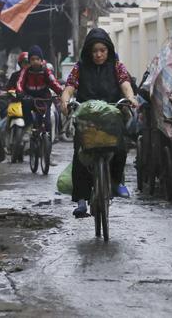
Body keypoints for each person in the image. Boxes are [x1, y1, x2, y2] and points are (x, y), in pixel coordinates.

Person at [60, 28, 139, 218]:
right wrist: (64, 101)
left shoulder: (117, 67)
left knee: (120, 147)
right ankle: (80, 199)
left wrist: (131, 98)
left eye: (102, 50)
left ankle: (116, 182)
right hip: (86, 117)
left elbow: (125, 84)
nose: (98, 54)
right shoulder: (79, 68)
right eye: (95, 51)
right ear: (89, 51)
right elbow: (69, 87)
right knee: (81, 153)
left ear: (108, 50)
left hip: (111, 116)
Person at [17, 45, 63, 134]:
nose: (35, 62)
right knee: (25, 103)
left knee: (47, 122)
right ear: (29, 61)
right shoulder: (25, 71)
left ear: (41, 60)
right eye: (32, 59)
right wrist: (20, 92)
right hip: (30, 98)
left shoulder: (46, 71)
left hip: (44, 99)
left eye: (37, 59)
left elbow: (54, 82)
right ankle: (28, 126)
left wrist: (61, 92)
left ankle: (48, 138)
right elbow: (20, 82)